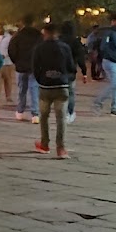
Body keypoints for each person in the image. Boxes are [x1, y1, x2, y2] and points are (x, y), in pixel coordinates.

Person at [32, 21, 74, 156]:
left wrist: (41, 79)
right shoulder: (65, 47)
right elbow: (71, 67)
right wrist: (66, 79)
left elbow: (35, 68)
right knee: (60, 117)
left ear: (45, 33)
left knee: (44, 116)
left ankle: (45, 144)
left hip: (45, 86)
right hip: (61, 85)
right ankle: (61, 148)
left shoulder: (39, 48)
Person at [8, 15, 42, 123]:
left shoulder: (18, 36)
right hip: (34, 66)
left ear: (22, 22)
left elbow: (11, 50)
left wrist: (16, 61)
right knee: (34, 89)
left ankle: (20, 111)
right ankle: (35, 114)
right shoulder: (38, 35)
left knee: (22, 90)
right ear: (33, 23)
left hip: (21, 66)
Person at [94, 15, 116, 115]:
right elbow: (104, 47)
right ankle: (98, 101)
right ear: (113, 21)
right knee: (115, 84)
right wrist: (114, 57)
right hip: (110, 61)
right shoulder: (109, 33)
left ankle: (114, 108)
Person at [59, 20, 87, 122]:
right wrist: (84, 72)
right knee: (70, 93)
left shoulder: (58, 40)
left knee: (59, 93)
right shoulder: (75, 42)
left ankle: (61, 112)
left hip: (58, 70)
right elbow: (80, 58)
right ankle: (69, 113)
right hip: (70, 70)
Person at [0, 28, 16, 105]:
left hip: (7, 62)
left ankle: (8, 96)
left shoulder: (9, 38)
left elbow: (11, 48)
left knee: (8, 80)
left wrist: (6, 55)